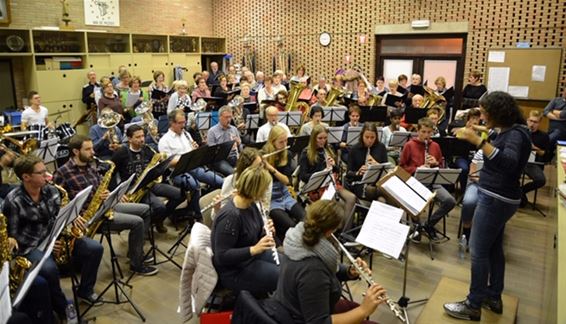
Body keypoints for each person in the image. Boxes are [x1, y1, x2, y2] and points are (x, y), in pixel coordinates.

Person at [444, 91, 532, 321]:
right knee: (493, 249)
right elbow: (498, 137)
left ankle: (473, 304)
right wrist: (481, 132)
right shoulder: (512, 129)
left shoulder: (515, 135)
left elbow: (509, 162)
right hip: (502, 197)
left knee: (478, 250)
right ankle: (493, 296)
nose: (482, 117)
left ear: (498, 113)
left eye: (484, 113)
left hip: (495, 198)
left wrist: (478, 141)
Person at [4, 155, 104, 313]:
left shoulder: (52, 190)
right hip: (31, 246)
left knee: (95, 248)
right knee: (50, 269)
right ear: (26, 177)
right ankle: (62, 308)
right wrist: (46, 247)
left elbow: (59, 216)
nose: (48, 175)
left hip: (55, 236)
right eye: (42, 173)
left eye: (46, 170)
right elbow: (14, 236)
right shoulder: (13, 201)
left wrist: (72, 217)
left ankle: (85, 290)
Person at [53, 135, 157, 276]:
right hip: (90, 218)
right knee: (137, 222)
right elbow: (57, 200)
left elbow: (100, 187)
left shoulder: (91, 166)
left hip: (104, 206)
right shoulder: (62, 172)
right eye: (88, 149)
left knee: (145, 210)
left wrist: (108, 194)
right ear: (76, 152)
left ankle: (135, 250)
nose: (93, 152)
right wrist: (73, 215)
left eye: (92, 148)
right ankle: (136, 264)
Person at [271, 199, 387, 324]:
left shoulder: (297, 239)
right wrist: (364, 310)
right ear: (329, 231)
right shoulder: (312, 270)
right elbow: (319, 322)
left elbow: (328, 269)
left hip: (303, 306)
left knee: (353, 307)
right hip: (299, 318)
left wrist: (349, 271)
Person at [211, 166, 281, 296]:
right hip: (234, 271)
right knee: (285, 279)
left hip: (250, 257)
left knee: (290, 268)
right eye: (264, 189)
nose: (266, 192)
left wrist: (267, 231)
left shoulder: (251, 204)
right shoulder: (231, 217)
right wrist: (254, 249)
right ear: (255, 191)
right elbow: (222, 256)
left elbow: (254, 233)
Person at [112, 124, 187, 233]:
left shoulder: (147, 150)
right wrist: (118, 193)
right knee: (159, 207)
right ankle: (146, 226)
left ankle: (158, 220)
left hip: (151, 184)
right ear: (129, 139)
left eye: (142, 136)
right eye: (137, 137)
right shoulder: (121, 153)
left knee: (180, 194)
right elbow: (110, 174)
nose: (142, 139)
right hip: (135, 189)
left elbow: (161, 163)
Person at [399, 117, 456, 242]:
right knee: (414, 203)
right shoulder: (409, 145)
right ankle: (417, 226)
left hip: (432, 182)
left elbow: (441, 166)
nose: (426, 135)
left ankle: (427, 225)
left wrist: (435, 163)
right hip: (414, 182)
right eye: (423, 132)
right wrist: (417, 168)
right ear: (418, 131)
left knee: (450, 201)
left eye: (429, 132)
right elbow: (402, 167)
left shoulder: (435, 146)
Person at [158, 110, 223, 202]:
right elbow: (167, 163)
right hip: (177, 172)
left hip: (193, 167)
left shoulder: (186, 134)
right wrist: (186, 157)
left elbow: (194, 153)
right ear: (172, 123)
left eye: (184, 122)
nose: (183, 125)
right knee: (194, 186)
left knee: (218, 181)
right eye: (180, 123)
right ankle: (196, 212)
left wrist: (195, 150)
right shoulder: (164, 141)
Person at [299, 125, 356, 218]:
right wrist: (322, 173)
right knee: (338, 204)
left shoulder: (328, 149)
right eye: (320, 138)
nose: (323, 141)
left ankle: (344, 231)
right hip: (316, 187)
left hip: (332, 184)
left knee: (351, 198)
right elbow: (303, 176)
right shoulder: (306, 152)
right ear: (314, 138)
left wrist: (334, 165)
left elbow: (337, 171)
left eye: (325, 138)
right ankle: (335, 229)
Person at [262, 125, 305, 243]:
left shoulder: (287, 154)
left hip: (285, 194)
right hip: (271, 198)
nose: (285, 144)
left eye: (286, 140)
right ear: (272, 142)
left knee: (305, 218)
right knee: (291, 225)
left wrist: (270, 168)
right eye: (281, 142)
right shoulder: (263, 154)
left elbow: (287, 181)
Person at [346, 123, 388, 201]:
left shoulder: (381, 147)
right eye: (367, 137)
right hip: (359, 183)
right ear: (362, 136)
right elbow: (348, 173)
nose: (369, 140)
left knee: (382, 200)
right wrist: (358, 173)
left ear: (376, 137)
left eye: (372, 137)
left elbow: (386, 169)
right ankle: (387, 193)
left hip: (377, 182)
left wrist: (376, 165)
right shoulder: (354, 149)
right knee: (371, 190)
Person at [521, 110, 550, 207]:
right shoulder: (521, 132)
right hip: (518, 161)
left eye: (535, 122)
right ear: (527, 120)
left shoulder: (544, 136)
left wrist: (536, 149)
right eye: (530, 121)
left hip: (532, 163)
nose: (532, 124)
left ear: (539, 123)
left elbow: (546, 156)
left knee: (541, 180)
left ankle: (520, 191)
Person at [207, 105, 242, 176]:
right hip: (220, 160)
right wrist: (226, 147)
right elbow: (212, 151)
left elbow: (240, 147)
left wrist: (238, 143)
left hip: (234, 156)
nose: (229, 120)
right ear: (220, 117)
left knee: (249, 170)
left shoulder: (234, 129)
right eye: (226, 117)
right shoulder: (212, 131)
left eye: (230, 117)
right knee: (234, 174)